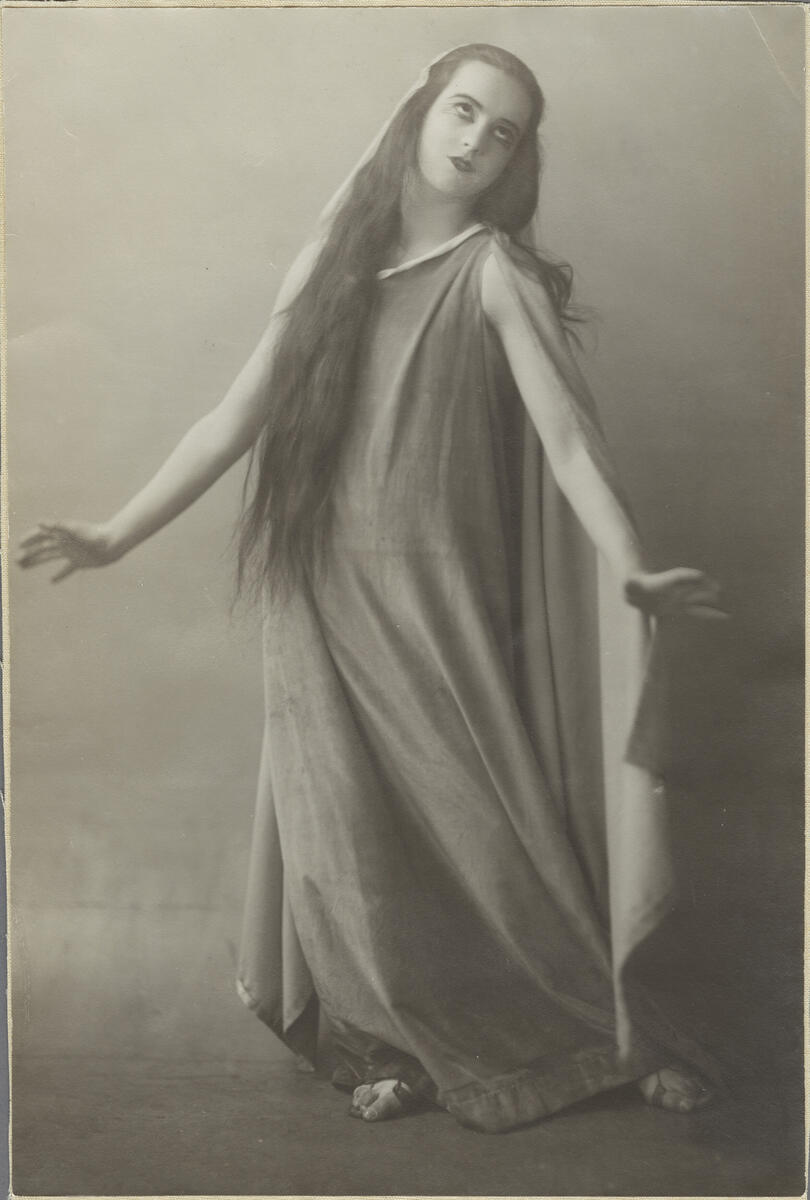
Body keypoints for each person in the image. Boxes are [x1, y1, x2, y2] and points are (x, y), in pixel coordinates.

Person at [17, 44, 727, 1133]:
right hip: (316, 595)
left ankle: (612, 1035)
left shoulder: (490, 273)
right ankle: (383, 1048)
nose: (476, 142)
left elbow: (570, 445)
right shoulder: (330, 268)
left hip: (435, 603)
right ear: (419, 112)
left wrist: (630, 566)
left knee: (488, 832)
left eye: (503, 133)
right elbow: (234, 417)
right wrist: (116, 532)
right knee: (340, 844)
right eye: (463, 111)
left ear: (517, 161)